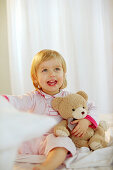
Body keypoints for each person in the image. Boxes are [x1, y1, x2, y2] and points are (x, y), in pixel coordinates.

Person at [2, 49, 97, 170]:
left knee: (63, 144)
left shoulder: (70, 97)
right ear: (35, 77)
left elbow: (92, 107)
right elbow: (16, 101)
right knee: (9, 137)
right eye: (44, 70)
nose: (52, 74)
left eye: (57, 69)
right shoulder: (32, 97)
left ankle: (46, 167)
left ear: (64, 73)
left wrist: (87, 120)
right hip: (33, 139)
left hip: (55, 138)